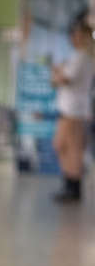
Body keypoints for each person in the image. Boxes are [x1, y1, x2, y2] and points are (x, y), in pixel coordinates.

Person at [51, 14, 95, 203]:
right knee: (62, 146)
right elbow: (59, 79)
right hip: (70, 109)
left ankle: (73, 187)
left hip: (74, 112)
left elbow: (64, 79)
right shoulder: (79, 57)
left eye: (77, 34)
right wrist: (58, 74)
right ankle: (70, 183)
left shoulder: (82, 57)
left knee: (73, 149)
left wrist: (57, 72)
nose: (73, 38)